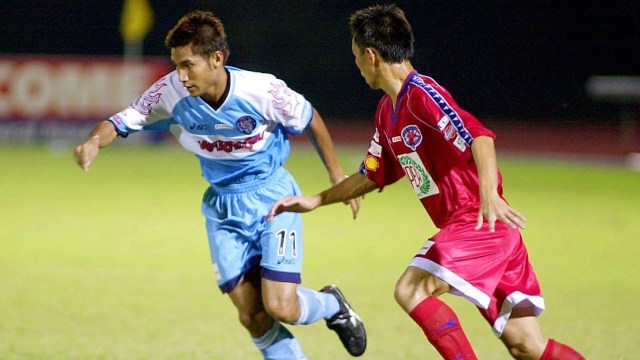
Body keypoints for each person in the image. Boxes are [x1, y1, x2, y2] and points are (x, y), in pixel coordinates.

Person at [268, 4, 584, 360]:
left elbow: (479, 136)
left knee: (410, 289)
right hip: (484, 230)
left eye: (356, 56)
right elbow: (371, 174)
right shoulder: (387, 112)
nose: (356, 65)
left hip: (478, 222)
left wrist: (487, 195)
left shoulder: (423, 95)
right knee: (527, 345)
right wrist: (317, 200)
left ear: (371, 55)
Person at [74, 10, 366, 359]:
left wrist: (336, 174)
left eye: (188, 65)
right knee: (252, 316)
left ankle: (332, 304)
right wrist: (94, 140)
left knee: (281, 307)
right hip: (222, 208)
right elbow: (121, 120)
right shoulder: (168, 93)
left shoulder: (262, 91)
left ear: (216, 58)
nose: (180, 76)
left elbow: (309, 117)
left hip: (274, 199)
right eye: (176, 65)